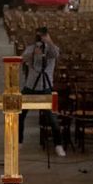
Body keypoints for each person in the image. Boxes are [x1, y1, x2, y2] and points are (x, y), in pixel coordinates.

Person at [19, 27, 66, 157]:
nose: (41, 39)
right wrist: (34, 53)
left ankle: (58, 145)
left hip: (45, 87)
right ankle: (19, 141)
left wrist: (49, 42)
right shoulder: (31, 48)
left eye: (43, 36)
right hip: (30, 87)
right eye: (39, 36)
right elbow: (22, 58)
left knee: (52, 119)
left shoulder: (51, 48)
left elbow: (56, 54)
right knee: (19, 115)